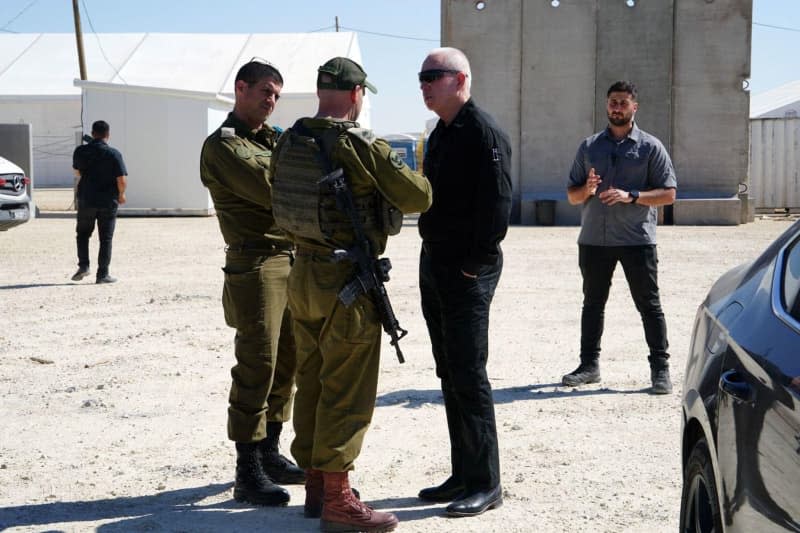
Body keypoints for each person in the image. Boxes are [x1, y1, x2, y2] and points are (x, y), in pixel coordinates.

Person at [269, 57, 432, 532]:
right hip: (347, 281)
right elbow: (418, 197)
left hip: (303, 273)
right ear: (358, 94)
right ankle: (339, 499)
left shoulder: (290, 138)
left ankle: (317, 484)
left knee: (313, 377)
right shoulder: (360, 144)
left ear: (322, 92)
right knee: (348, 386)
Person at [199, 59, 304, 507]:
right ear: (241, 88)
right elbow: (274, 185)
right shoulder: (223, 146)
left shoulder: (274, 140)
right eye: (265, 91)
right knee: (257, 362)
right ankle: (247, 468)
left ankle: (270, 451)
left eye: (277, 95)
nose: (271, 101)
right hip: (257, 264)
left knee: (288, 363)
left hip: (292, 259)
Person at [416, 47, 512, 518]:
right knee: (447, 371)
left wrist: (474, 264)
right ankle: (462, 473)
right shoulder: (440, 133)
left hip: (467, 270)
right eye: (422, 77)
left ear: (461, 80)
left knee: (469, 373)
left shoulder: (482, 132)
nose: (424, 84)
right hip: (435, 265)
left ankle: (486, 483)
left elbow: (497, 205)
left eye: (433, 76)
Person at [562, 80, 677, 394]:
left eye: (623, 102)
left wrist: (633, 195)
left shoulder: (650, 147)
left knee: (649, 305)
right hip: (593, 241)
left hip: (636, 240)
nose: (617, 107)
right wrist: (586, 189)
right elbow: (572, 195)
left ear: (634, 107)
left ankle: (660, 370)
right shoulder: (589, 147)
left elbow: (668, 194)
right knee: (592, 304)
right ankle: (589, 366)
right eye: (613, 102)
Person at [70, 120, 127, 284]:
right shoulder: (114, 154)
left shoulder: (80, 151)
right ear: (107, 135)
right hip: (108, 202)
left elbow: (77, 171)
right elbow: (121, 179)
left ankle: (84, 266)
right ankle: (102, 275)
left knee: (82, 235)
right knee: (106, 238)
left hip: (86, 199)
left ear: (93, 133)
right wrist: (121, 195)